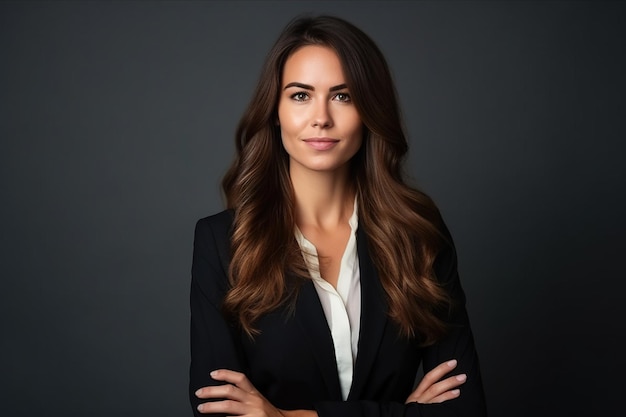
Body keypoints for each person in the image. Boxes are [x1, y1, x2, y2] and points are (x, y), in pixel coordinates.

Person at [189, 14, 487, 417]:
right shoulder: (221, 242)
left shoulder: (418, 234)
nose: (321, 117)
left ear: (369, 110)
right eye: (300, 95)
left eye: (343, 96)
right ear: (275, 110)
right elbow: (217, 410)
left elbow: (466, 410)